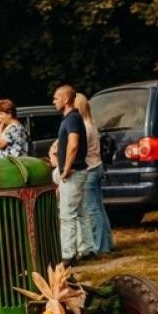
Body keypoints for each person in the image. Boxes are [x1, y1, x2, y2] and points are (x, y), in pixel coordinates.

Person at [50, 84, 95, 262]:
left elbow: (73, 144)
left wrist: (66, 168)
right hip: (78, 171)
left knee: (67, 214)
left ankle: (68, 254)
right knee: (81, 211)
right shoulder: (71, 118)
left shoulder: (72, 119)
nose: (54, 101)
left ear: (66, 99)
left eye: (56, 98)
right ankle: (87, 248)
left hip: (73, 172)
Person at [74, 92, 114, 255]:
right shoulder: (92, 123)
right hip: (97, 166)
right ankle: (107, 242)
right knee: (99, 207)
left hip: (90, 169)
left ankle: (99, 246)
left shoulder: (83, 127)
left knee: (92, 209)